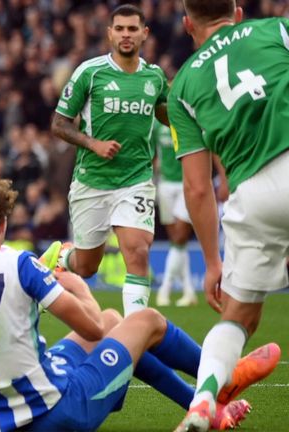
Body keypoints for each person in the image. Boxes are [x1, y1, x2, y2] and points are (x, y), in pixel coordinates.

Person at [0, 172, 274, 431]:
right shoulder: (19, 264)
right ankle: (219, 377)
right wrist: (78, 287)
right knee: (146, 321)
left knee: (113, 318)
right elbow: (91, 327)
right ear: (3, 222)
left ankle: (203, 404)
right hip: (58, 413)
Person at [168, 1, 288, 430]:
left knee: (238, 317)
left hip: (252, 197)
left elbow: (198, 188)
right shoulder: (276, 30)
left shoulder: (181, 86)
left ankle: (202, 401)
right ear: (237, 13)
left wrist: (212, 262)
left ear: (188, 25)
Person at [50, 4, 169, 316]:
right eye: (120, 29)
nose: (126, 35)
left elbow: (166, 114)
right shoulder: (90, 73)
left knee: (138, 252)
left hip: (136, 179)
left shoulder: (155, 77)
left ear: (144, 33)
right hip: (93, 181)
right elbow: (59, 124)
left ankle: (135, 331)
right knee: (87, 267)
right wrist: (93, 144)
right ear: (110, 34)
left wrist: (195, 117)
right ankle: (62, 257)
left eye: (132, 29)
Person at [153, 121, 198, 306]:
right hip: (164, 185)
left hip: (185, 184)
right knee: (177, 243)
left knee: (179, 237)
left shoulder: (186, 121)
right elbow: (152, 154)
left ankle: (165, 289)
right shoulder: (156, 125)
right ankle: (189, 291)